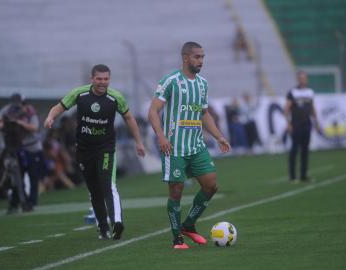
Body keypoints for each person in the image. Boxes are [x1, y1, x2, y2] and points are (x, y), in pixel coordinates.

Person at [44, 64, 145, 240]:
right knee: (94, 191)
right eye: (99, 79)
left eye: (106, 79)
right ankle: (103, 228)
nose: (102, 82)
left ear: (109, 80)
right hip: (83, 150)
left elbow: (129, 118)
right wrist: (51, 116)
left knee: (108, 184)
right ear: (92, 79)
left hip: (105, 148)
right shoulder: (79, 94)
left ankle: (117, 222)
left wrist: (138, 142)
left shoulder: (116, 98)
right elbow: (59, 107)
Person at [148, 42, 231, 249]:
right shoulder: (170, 81)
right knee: (176, 191)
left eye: (203, 57)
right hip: (173, 147)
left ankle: (189, 224)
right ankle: (177, 237)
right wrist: (161, 137)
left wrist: (218, 137)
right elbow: (153, 112)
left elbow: (204, 113)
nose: (201, 61)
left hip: (196, 146)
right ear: (185, 58)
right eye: (197, 57)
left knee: (211, 186)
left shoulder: (202, 83)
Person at [0, 93, 45, 213]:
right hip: (17, 148)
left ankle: (31, 202)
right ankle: (17, 203)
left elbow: (34, 128)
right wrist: (1, 125)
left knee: (33, 176)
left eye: (20, 105)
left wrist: (20, 123)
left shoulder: (30, 112)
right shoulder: (7, 110)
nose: (17, 107)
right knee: (17, 177)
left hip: (32, 148)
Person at [284, 71, 320, 182]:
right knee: (294, 149)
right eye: (300, 78)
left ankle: (304, 175)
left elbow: (312, 107)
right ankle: (292, 176)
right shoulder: (293, 92)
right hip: (296, 124)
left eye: (304, 78)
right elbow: (286, 109)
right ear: (298, 79)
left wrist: (316, 121)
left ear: (306, 79)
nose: (302, 80)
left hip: (307, 124)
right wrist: (289, 123)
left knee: (305, 150)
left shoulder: (310, 92)